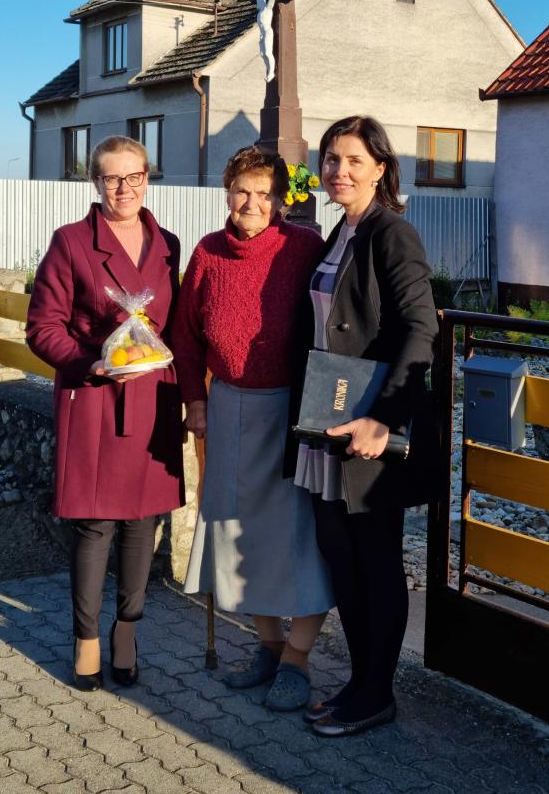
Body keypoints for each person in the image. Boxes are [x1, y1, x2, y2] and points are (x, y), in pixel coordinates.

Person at [290, 115, 438, 737]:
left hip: (368, 428)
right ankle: (358, 680)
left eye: (353, 160)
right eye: (331, 159)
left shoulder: (391, 233)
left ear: (380, 168)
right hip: (328, 422)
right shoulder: (339, 232)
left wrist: (383, 418)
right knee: (341, 557)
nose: (339, 170)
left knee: (375, 560)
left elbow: (421, 328)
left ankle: (378, 692)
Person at [174, 145, 333, 712]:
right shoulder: (208, 252)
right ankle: (268, 647)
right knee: (239, 534)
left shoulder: (303, 247)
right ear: (227, 191)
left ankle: (298, 659)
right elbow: (185, 336)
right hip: (228, 408)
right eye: (243, 189)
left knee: (296, 538)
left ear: (280, 201)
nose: (252, 202)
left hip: (292, 412)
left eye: (265, 193)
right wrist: (196, 401)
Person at [26, 136, 184, 691]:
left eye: (134, 176)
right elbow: (41, 327)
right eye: (112, 178)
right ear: (95, 182)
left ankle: (128, 632)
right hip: (94, 396)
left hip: (152, 397)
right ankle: (86, 637)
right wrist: (89, 363)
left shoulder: (168, 245)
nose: (124, 188)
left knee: (142, 521)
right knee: (95, 523)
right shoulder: (71, 242)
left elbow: (176, 325)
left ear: (148, 177)